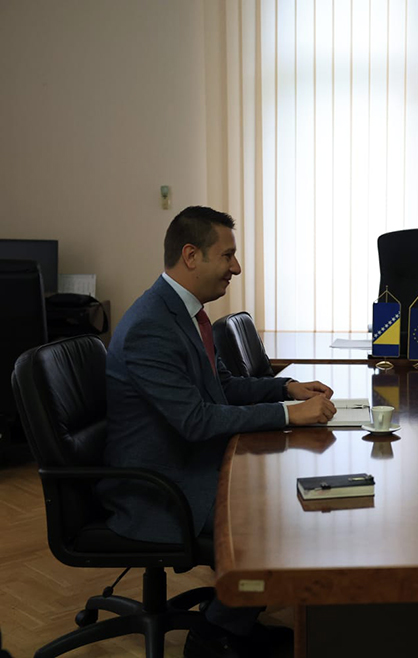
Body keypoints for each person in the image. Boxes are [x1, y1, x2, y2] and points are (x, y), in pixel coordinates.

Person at [100, 206, 336, 658]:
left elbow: (221, 386)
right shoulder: (151, 326)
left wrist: (283, 387)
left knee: (290, 496)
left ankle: (238, 620)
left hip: (188, 461)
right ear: (191, 255)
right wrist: (290, 415)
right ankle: (214, 633)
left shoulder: (188, 314)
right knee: (275, 517)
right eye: (227, 255)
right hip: (159, 484)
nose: (237, 267)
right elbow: (197, 420)